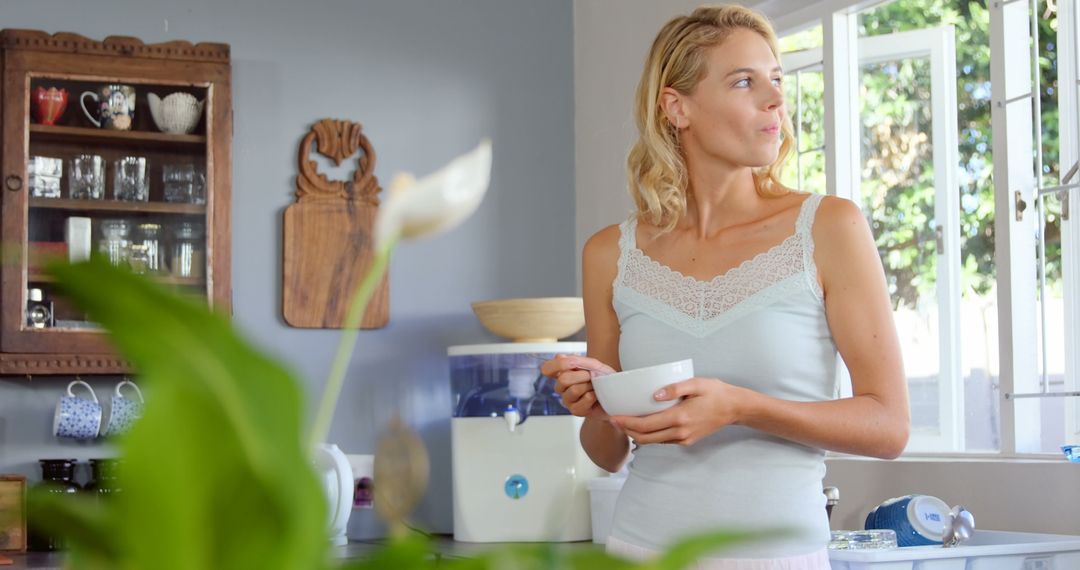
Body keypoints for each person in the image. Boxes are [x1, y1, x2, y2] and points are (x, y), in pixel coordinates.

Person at [541, 4, 910, 568]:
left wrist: (740, 407)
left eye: (776, 80)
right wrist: (599, 403)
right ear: (676, 107)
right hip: (640, 550)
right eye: (744, 81)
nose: (775, 100)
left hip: (780, 557)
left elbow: (889, 426)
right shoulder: (610, 254)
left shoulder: (830, 227)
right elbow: (605, 454)